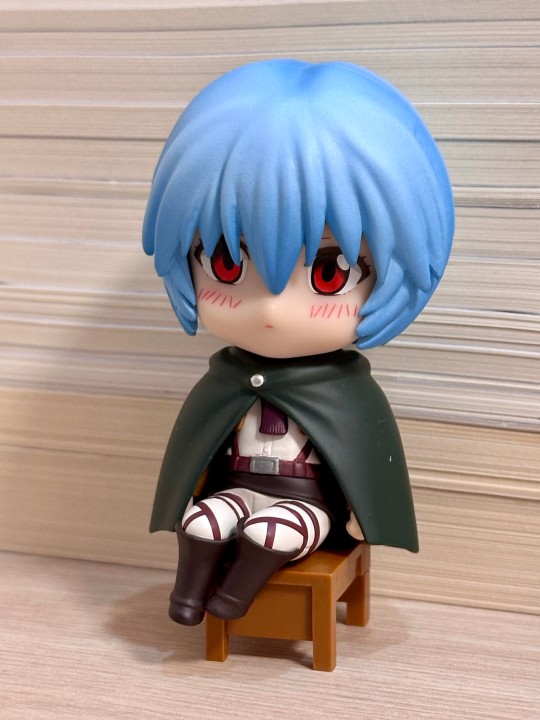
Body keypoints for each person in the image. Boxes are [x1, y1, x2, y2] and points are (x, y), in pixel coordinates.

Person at [143, 59, 454, 626]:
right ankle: (187, 595)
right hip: (237, 488)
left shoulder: (348, 393)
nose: (272, 310)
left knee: (273, 532)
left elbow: (366, 460)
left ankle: (233, 599)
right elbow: (196, 451)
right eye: (227, 263)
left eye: (329, 273)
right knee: (202, 521)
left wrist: (361, 514)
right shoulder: (222, 381)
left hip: (308, 504)